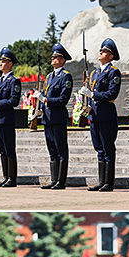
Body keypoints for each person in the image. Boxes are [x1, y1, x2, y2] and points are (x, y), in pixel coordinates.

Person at [87, 38, 121, 193]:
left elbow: (112, 93)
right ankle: (101, 181)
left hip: (106, 115)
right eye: (101, 51)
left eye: (105, 51)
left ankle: (109, 182)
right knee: (99, 149)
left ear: (111, 56)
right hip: (94, 115)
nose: (101, 53)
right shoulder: (94, 73)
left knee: (107, 148)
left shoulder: (113, 72)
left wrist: (93, 94)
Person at [0, 47, 21, 189]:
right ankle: (5, 177)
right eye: (0, 61)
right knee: (1, 149)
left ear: (10, 64)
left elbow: (14, 101)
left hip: (6, 119)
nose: (0, 63)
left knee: (9, 149)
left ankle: (12, 178)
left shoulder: (14, 81)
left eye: (3, 61)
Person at [41, 43, 73, 190]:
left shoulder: (65, 76)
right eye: (52, 57)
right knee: (51, 149)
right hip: (47, 117)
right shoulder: (48, 77)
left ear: (62, 60)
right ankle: (53, 179)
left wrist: (46, 100)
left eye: (56, 57)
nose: (53, 59)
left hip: (58, 117)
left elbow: (62, 99)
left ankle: (61, 181)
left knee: (61, 149)